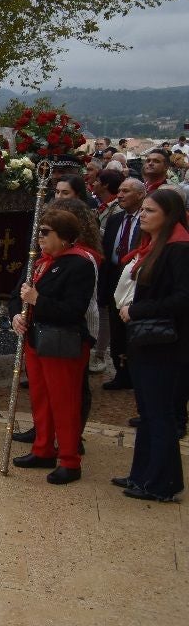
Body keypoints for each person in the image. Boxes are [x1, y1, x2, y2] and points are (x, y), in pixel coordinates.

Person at [7, 209, 99, 484]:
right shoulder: (38, 261)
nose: (40, 237)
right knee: (41, 399)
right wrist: (16, 316)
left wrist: (37, 301)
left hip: (63, 343)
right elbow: (16, 294)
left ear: (64, 237)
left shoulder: (80, 263)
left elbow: (73, 309)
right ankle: (43, 448)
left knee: (64, 402)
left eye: (46, 232)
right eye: (39, 231)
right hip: (36, 339)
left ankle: (70, 460)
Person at [116, 188, 189, 501]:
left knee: (159, 413)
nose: (142, 215)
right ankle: (142, 474)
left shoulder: (180, 249)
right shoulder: (154, 246)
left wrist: (136, 310)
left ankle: (162, 482)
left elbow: (183, 298)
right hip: (146, 340)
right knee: (148, 411)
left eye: (150, 211)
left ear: (169, 215)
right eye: (142, 210)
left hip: (165, 343)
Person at [101, 178, 146, 391]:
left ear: (140, 195)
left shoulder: (145, 221)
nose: (119, 195)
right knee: (116, 329)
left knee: (132, 328)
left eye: (126, 191)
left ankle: (137, 372)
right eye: (119, 191)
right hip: (113, 279)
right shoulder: (115, 219)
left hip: (134, 280)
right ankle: (121, 372)